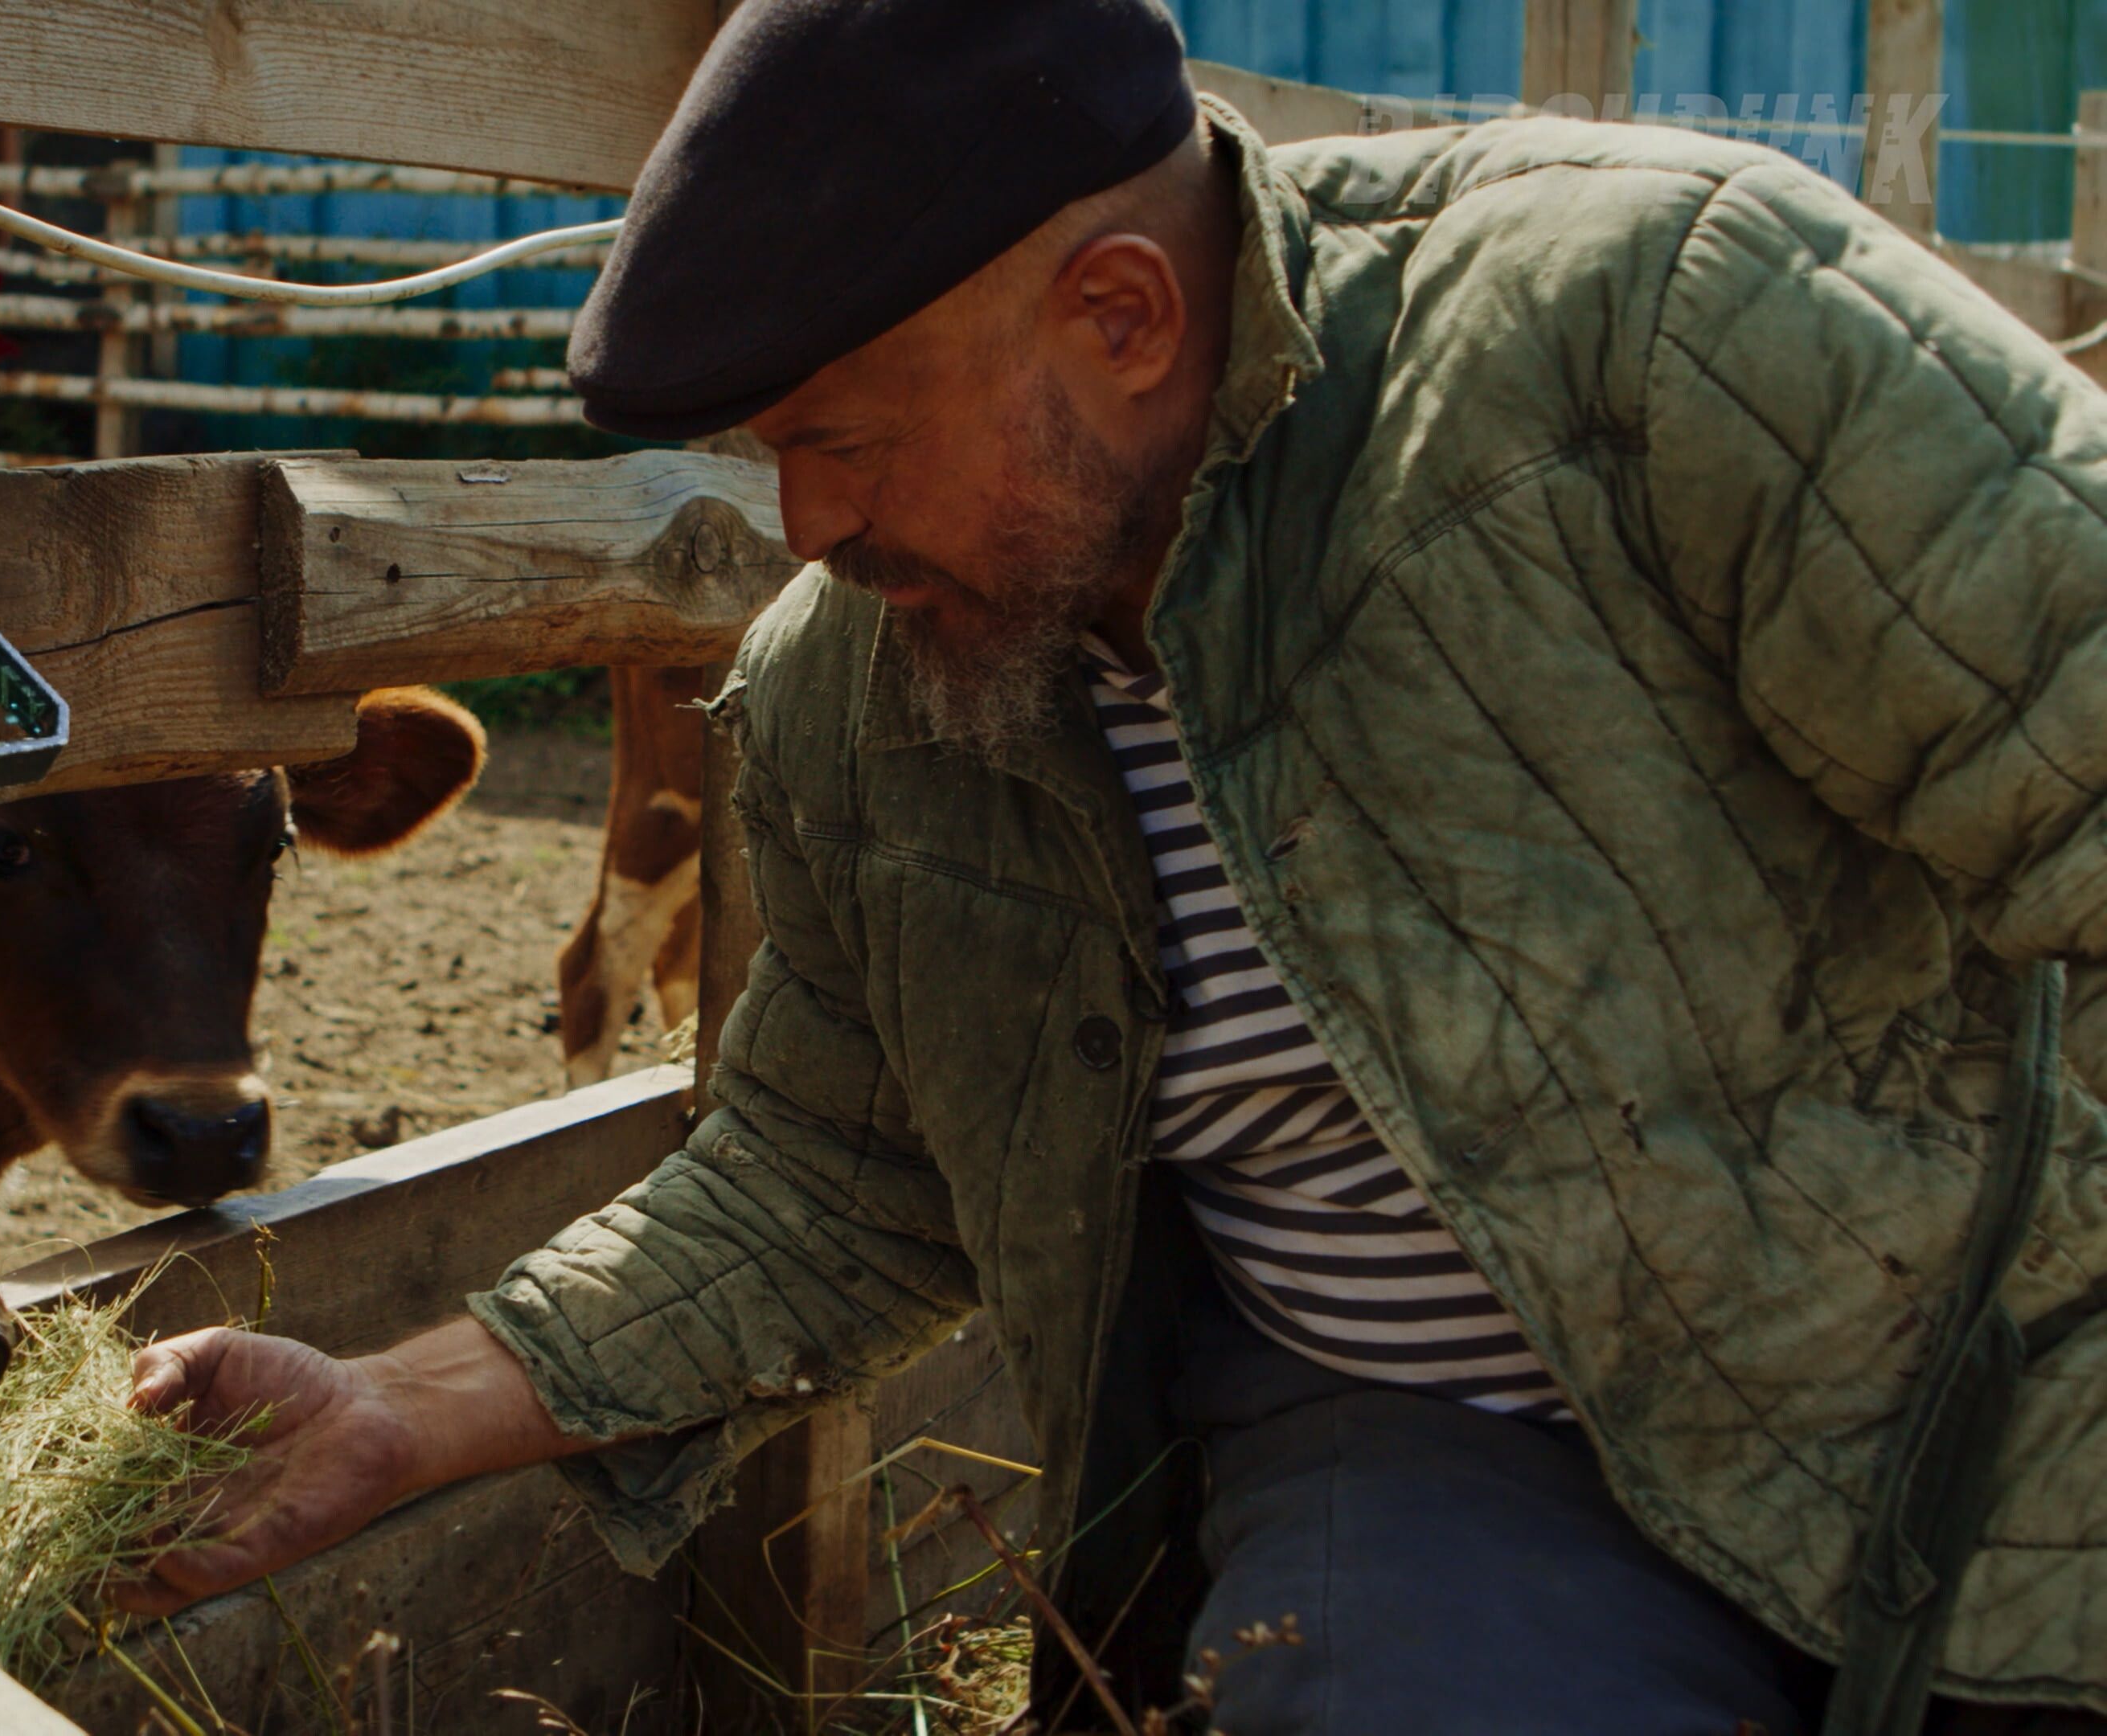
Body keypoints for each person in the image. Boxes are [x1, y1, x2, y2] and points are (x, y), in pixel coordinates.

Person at [118, 3, 2107, 1730]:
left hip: (1973, 1338)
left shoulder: (1649, 335)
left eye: (849, 438)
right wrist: (411, 1402)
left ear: (1124, 316)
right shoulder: (856, 700)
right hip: (1440, 1453)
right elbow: (832, 1161)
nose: (804, 529)